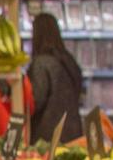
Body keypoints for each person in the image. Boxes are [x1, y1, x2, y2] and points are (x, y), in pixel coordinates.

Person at [25, 12, 85, 145]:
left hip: (47, 137)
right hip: (74, 132)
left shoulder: (41, 63)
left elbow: (36, 100)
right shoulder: (68, 60)